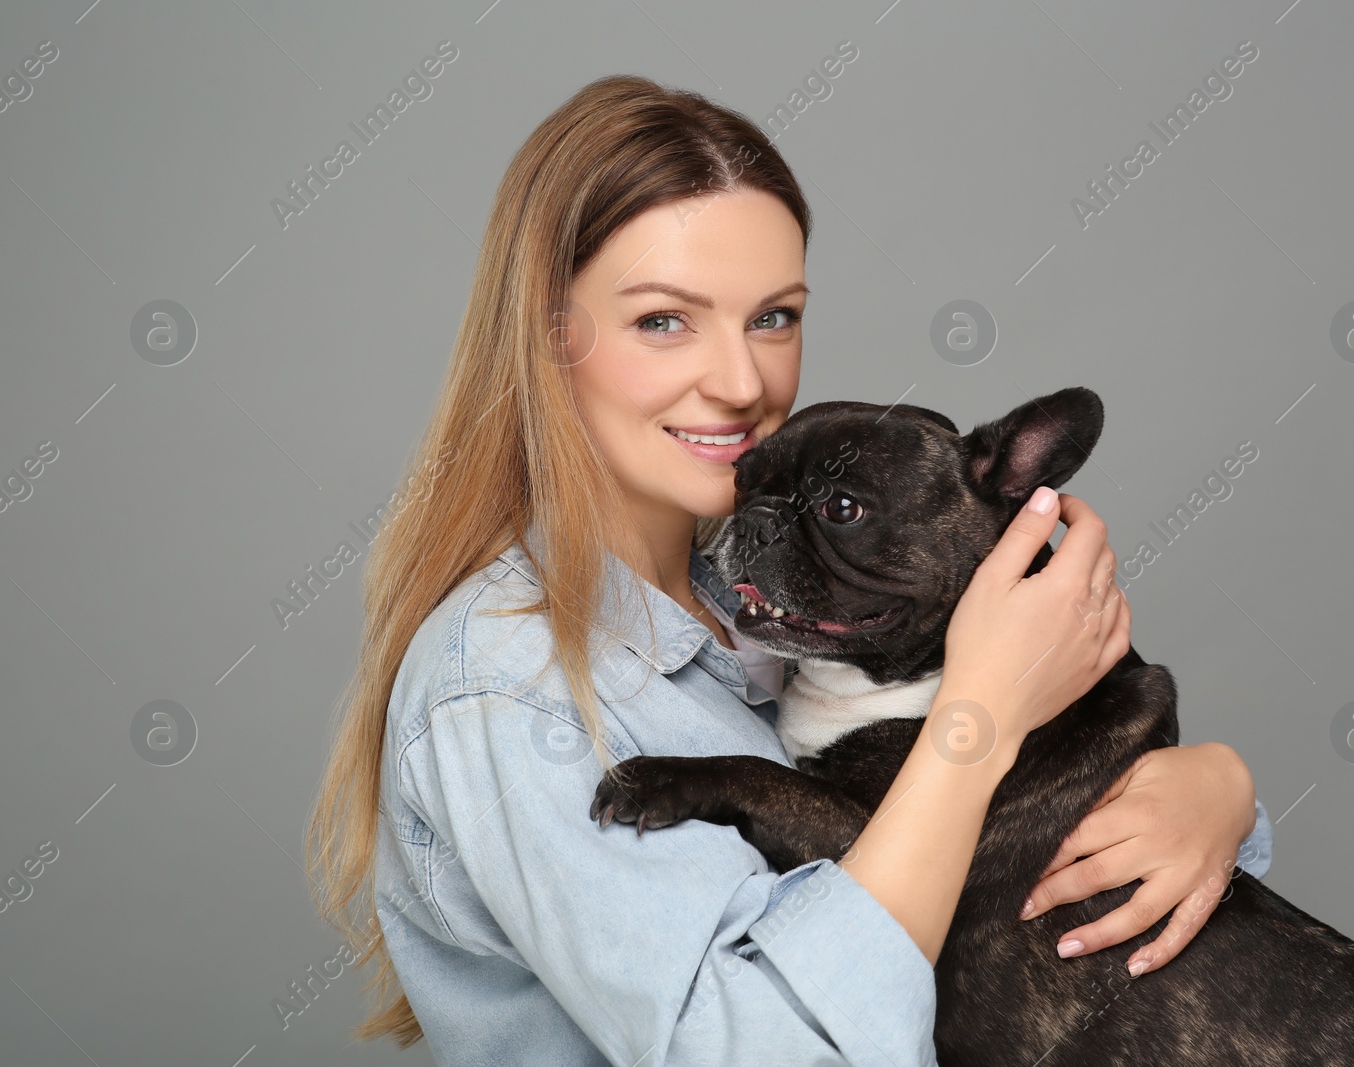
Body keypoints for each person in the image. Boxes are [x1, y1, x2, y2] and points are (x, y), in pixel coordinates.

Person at [306, 74, 1274, 1065]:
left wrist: (1213, 792)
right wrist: (979, 716)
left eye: (771, 318)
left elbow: (999, 893)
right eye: (663, 320)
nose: (738, 381)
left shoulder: (773, 617)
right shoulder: (513, 689)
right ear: (551, 335)